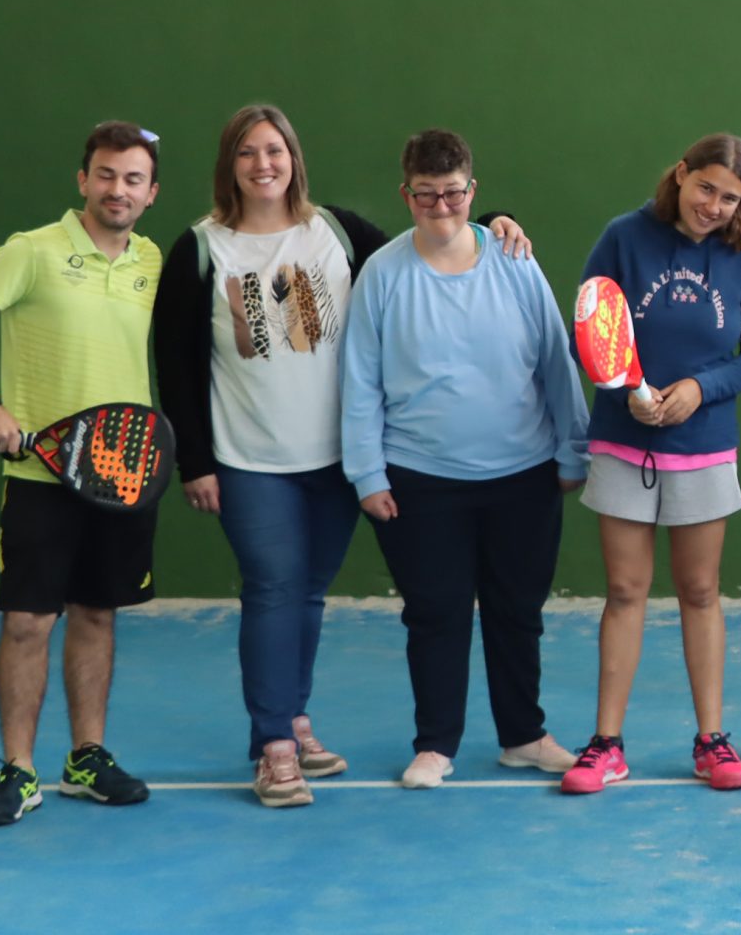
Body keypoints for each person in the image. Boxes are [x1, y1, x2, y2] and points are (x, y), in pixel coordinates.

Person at [155, 104, 533, 806]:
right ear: (228, 165)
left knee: (306, 593)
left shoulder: (337, 232)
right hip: (249, 461)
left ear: (294, 158)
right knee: (272, 588)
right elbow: (174, 363)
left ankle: (293, 718)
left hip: (336, 462)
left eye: (275, 150)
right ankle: (273, 746)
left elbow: (432, 245)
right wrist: (196, 462)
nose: (263, 164)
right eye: (247, 153)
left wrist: (498, 219)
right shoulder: (202, 248)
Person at [341, 128, 587, 789]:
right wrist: (367, 473)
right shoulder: (383, 275)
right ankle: (436, 743)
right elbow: (359, 380)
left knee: (518, 611)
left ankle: (524, 736)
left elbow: (556, 359)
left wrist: (573, 448)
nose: (442, 208)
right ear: (406, 194)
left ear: (472, 192)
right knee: (436, 615)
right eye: (427, 197)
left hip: (525, 475)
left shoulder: (515, 260)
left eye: (453, 194)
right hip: (419, 483)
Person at [0, 122, 165, 827]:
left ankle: (85, 758)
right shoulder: (30, 251)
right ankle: (20, 770)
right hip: (40, 480)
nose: (117, 189)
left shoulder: (152, 260)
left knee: (97, 614)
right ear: (82, 180)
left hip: (121, 475)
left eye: (132, 178)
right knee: (30, 622)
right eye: (105, 174)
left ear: (151, 193)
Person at [560, 135, 741, 796]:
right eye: (705, 188)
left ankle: (712, 742)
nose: (714, 205)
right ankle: (606, 745)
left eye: (729, 197)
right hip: (623, 442)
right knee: (625, 592)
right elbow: (594, 333)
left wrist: (698, 390)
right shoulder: (624, 237)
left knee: (701, 592)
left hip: (705, 445)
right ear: (681, 175)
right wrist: (632, 389)